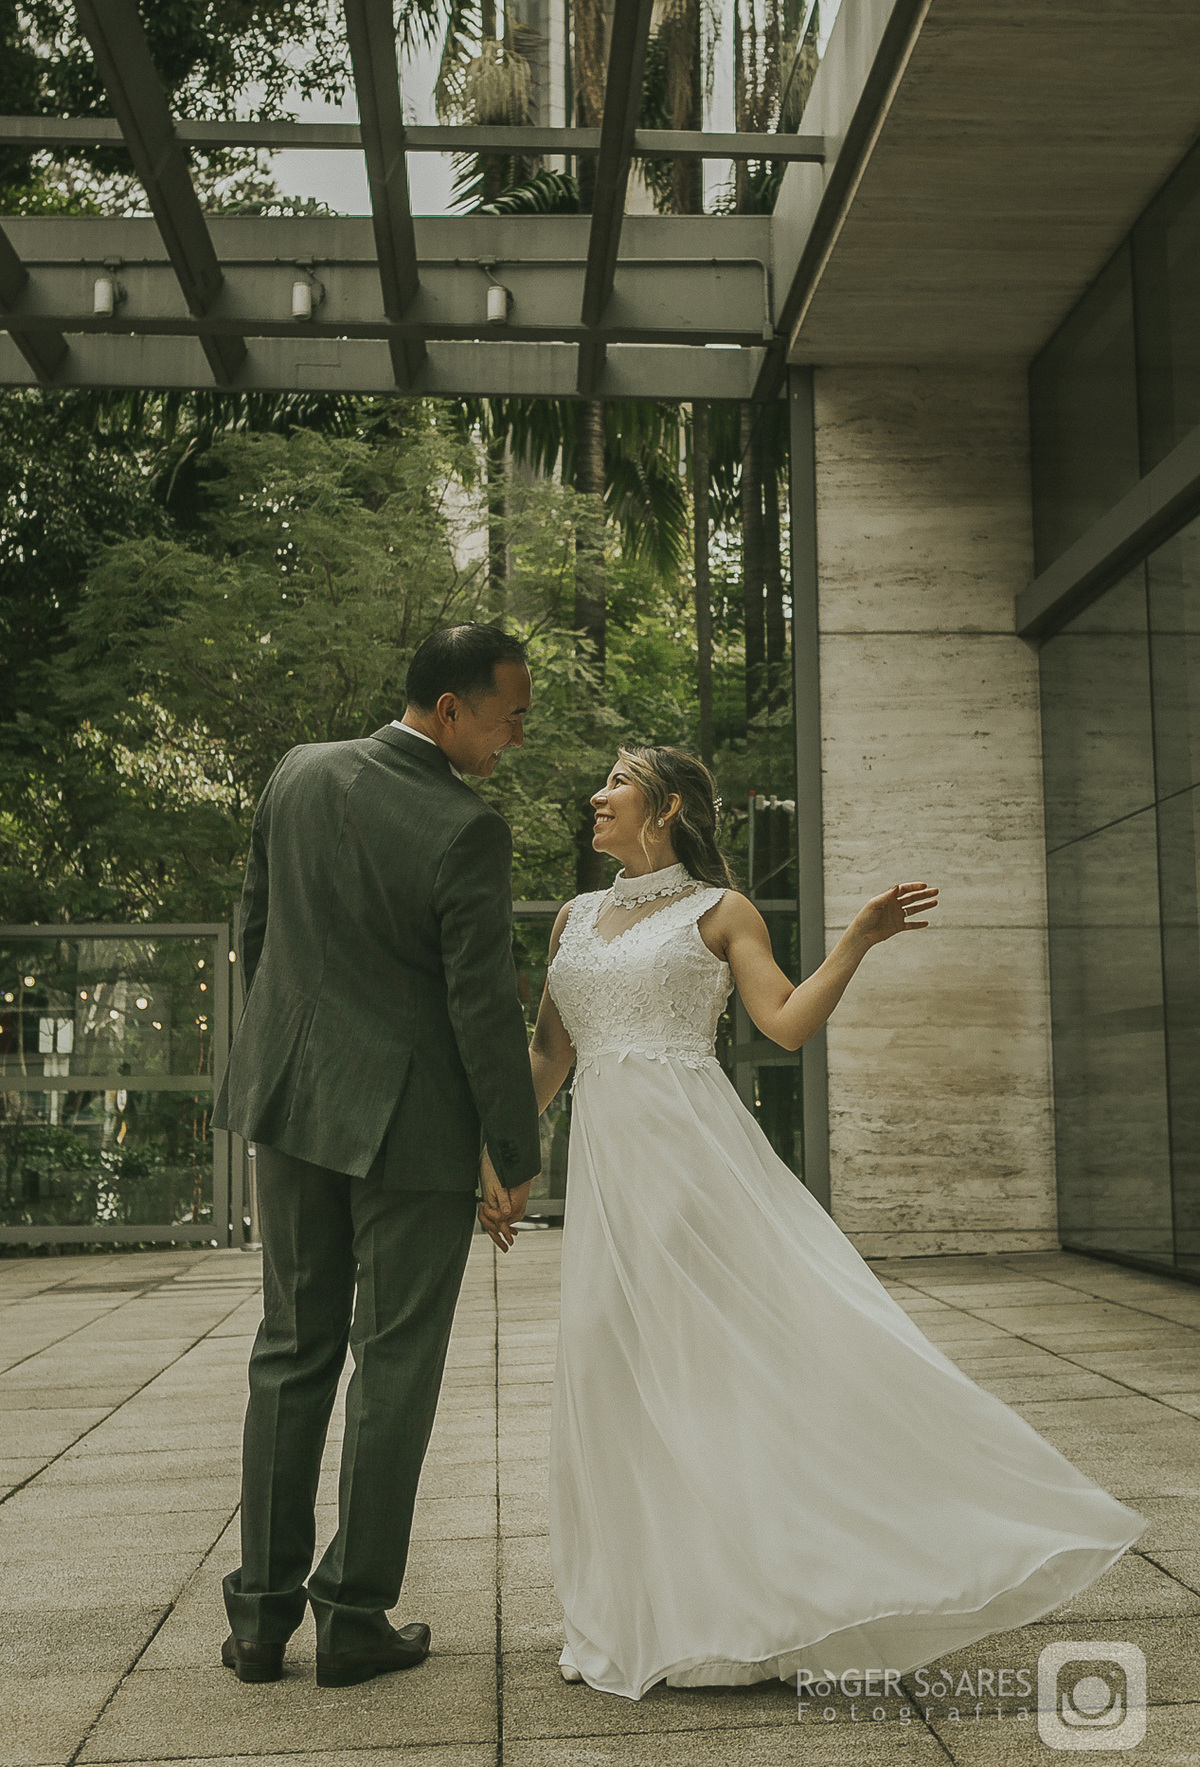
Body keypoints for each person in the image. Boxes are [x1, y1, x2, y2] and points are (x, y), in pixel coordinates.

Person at [478, 744, 1149, 1700]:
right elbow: (548, 1051)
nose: (596, 794)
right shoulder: (574, 919)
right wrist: (504, 1158)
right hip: (608, 1168)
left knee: (702, 1365)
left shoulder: (721, 911)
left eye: (617, 782)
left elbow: (785, 1022)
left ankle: (752, 1605)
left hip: (690, 1163)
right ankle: (647, 1605)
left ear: (663, 808)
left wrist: (859, 939)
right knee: (607, 1362)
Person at [214, 622, 541, 1689]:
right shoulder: (464, 829)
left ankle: (260, 1620)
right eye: (509, 717)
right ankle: (352, 1615)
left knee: (290, 1347)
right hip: (410, 1131)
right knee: (392, 1364)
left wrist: (282, 1053)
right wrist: (515, 1149)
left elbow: (258, 934)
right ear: (450, 710)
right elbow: (484, 1007)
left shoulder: (296, 777)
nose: (517, 738)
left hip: (292, 1102)